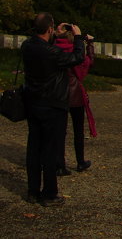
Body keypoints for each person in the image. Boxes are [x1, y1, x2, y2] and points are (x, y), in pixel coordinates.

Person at [20, 13, 85, 206]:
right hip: (52, 104)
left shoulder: (28, 46)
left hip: (33, 101)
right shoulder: (51, 53)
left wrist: (55, 34)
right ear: (49, 28)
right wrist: (79, 37)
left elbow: (43, 45)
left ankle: (33, 191)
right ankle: (49, 193)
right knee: (49, 150)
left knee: (34, 148)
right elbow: (77, 57)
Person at [53, 27, 95, 174]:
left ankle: (59, 164)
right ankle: (80, 161)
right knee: (78, 130)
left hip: (59, 94)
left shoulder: (54, 50)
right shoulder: (76, 53)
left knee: (60, 131)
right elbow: (89, 63)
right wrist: (90, 45)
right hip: (75, 93)